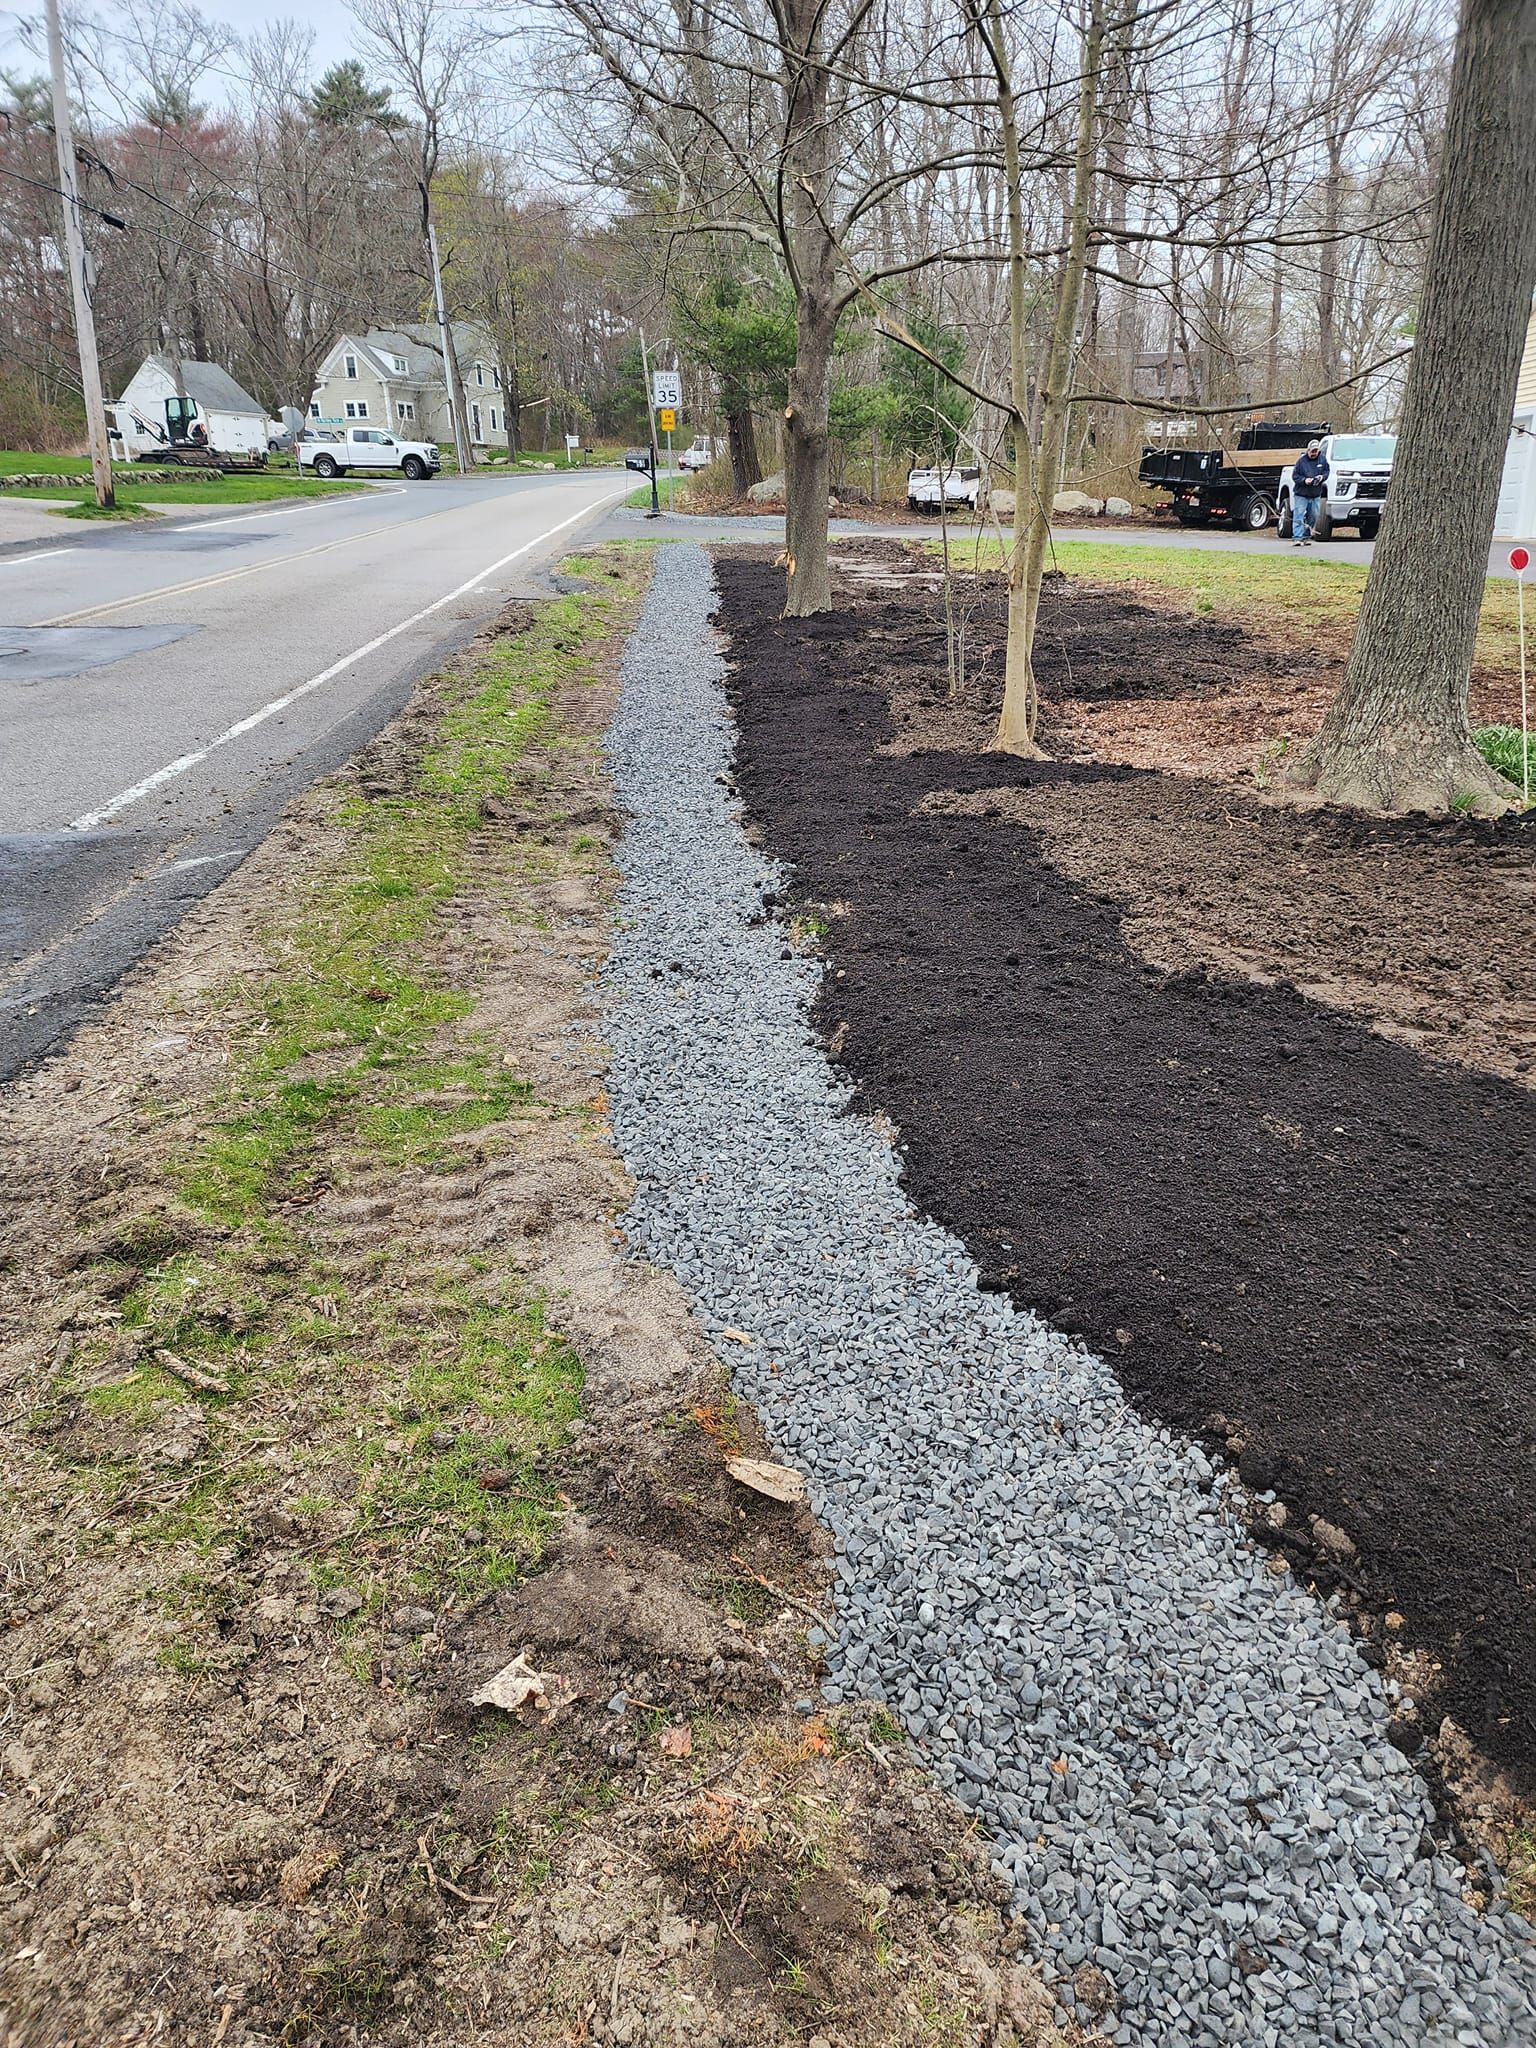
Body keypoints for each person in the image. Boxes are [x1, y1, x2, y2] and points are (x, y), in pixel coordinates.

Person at [1289, 438, 1329, 547]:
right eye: (1312, 451)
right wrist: (1304, 480)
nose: (1314, 453)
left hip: (1315, 494)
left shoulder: (1322, 460)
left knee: (1314, 516)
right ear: (1308, 450)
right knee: (1299, 515)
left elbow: (1327, 472)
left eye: (1316, 451)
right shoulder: (1301, 461)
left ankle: (1306, 536)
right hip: (1301, 493)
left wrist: (1322, 477)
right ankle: (1297, 537)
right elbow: (1295, 476)